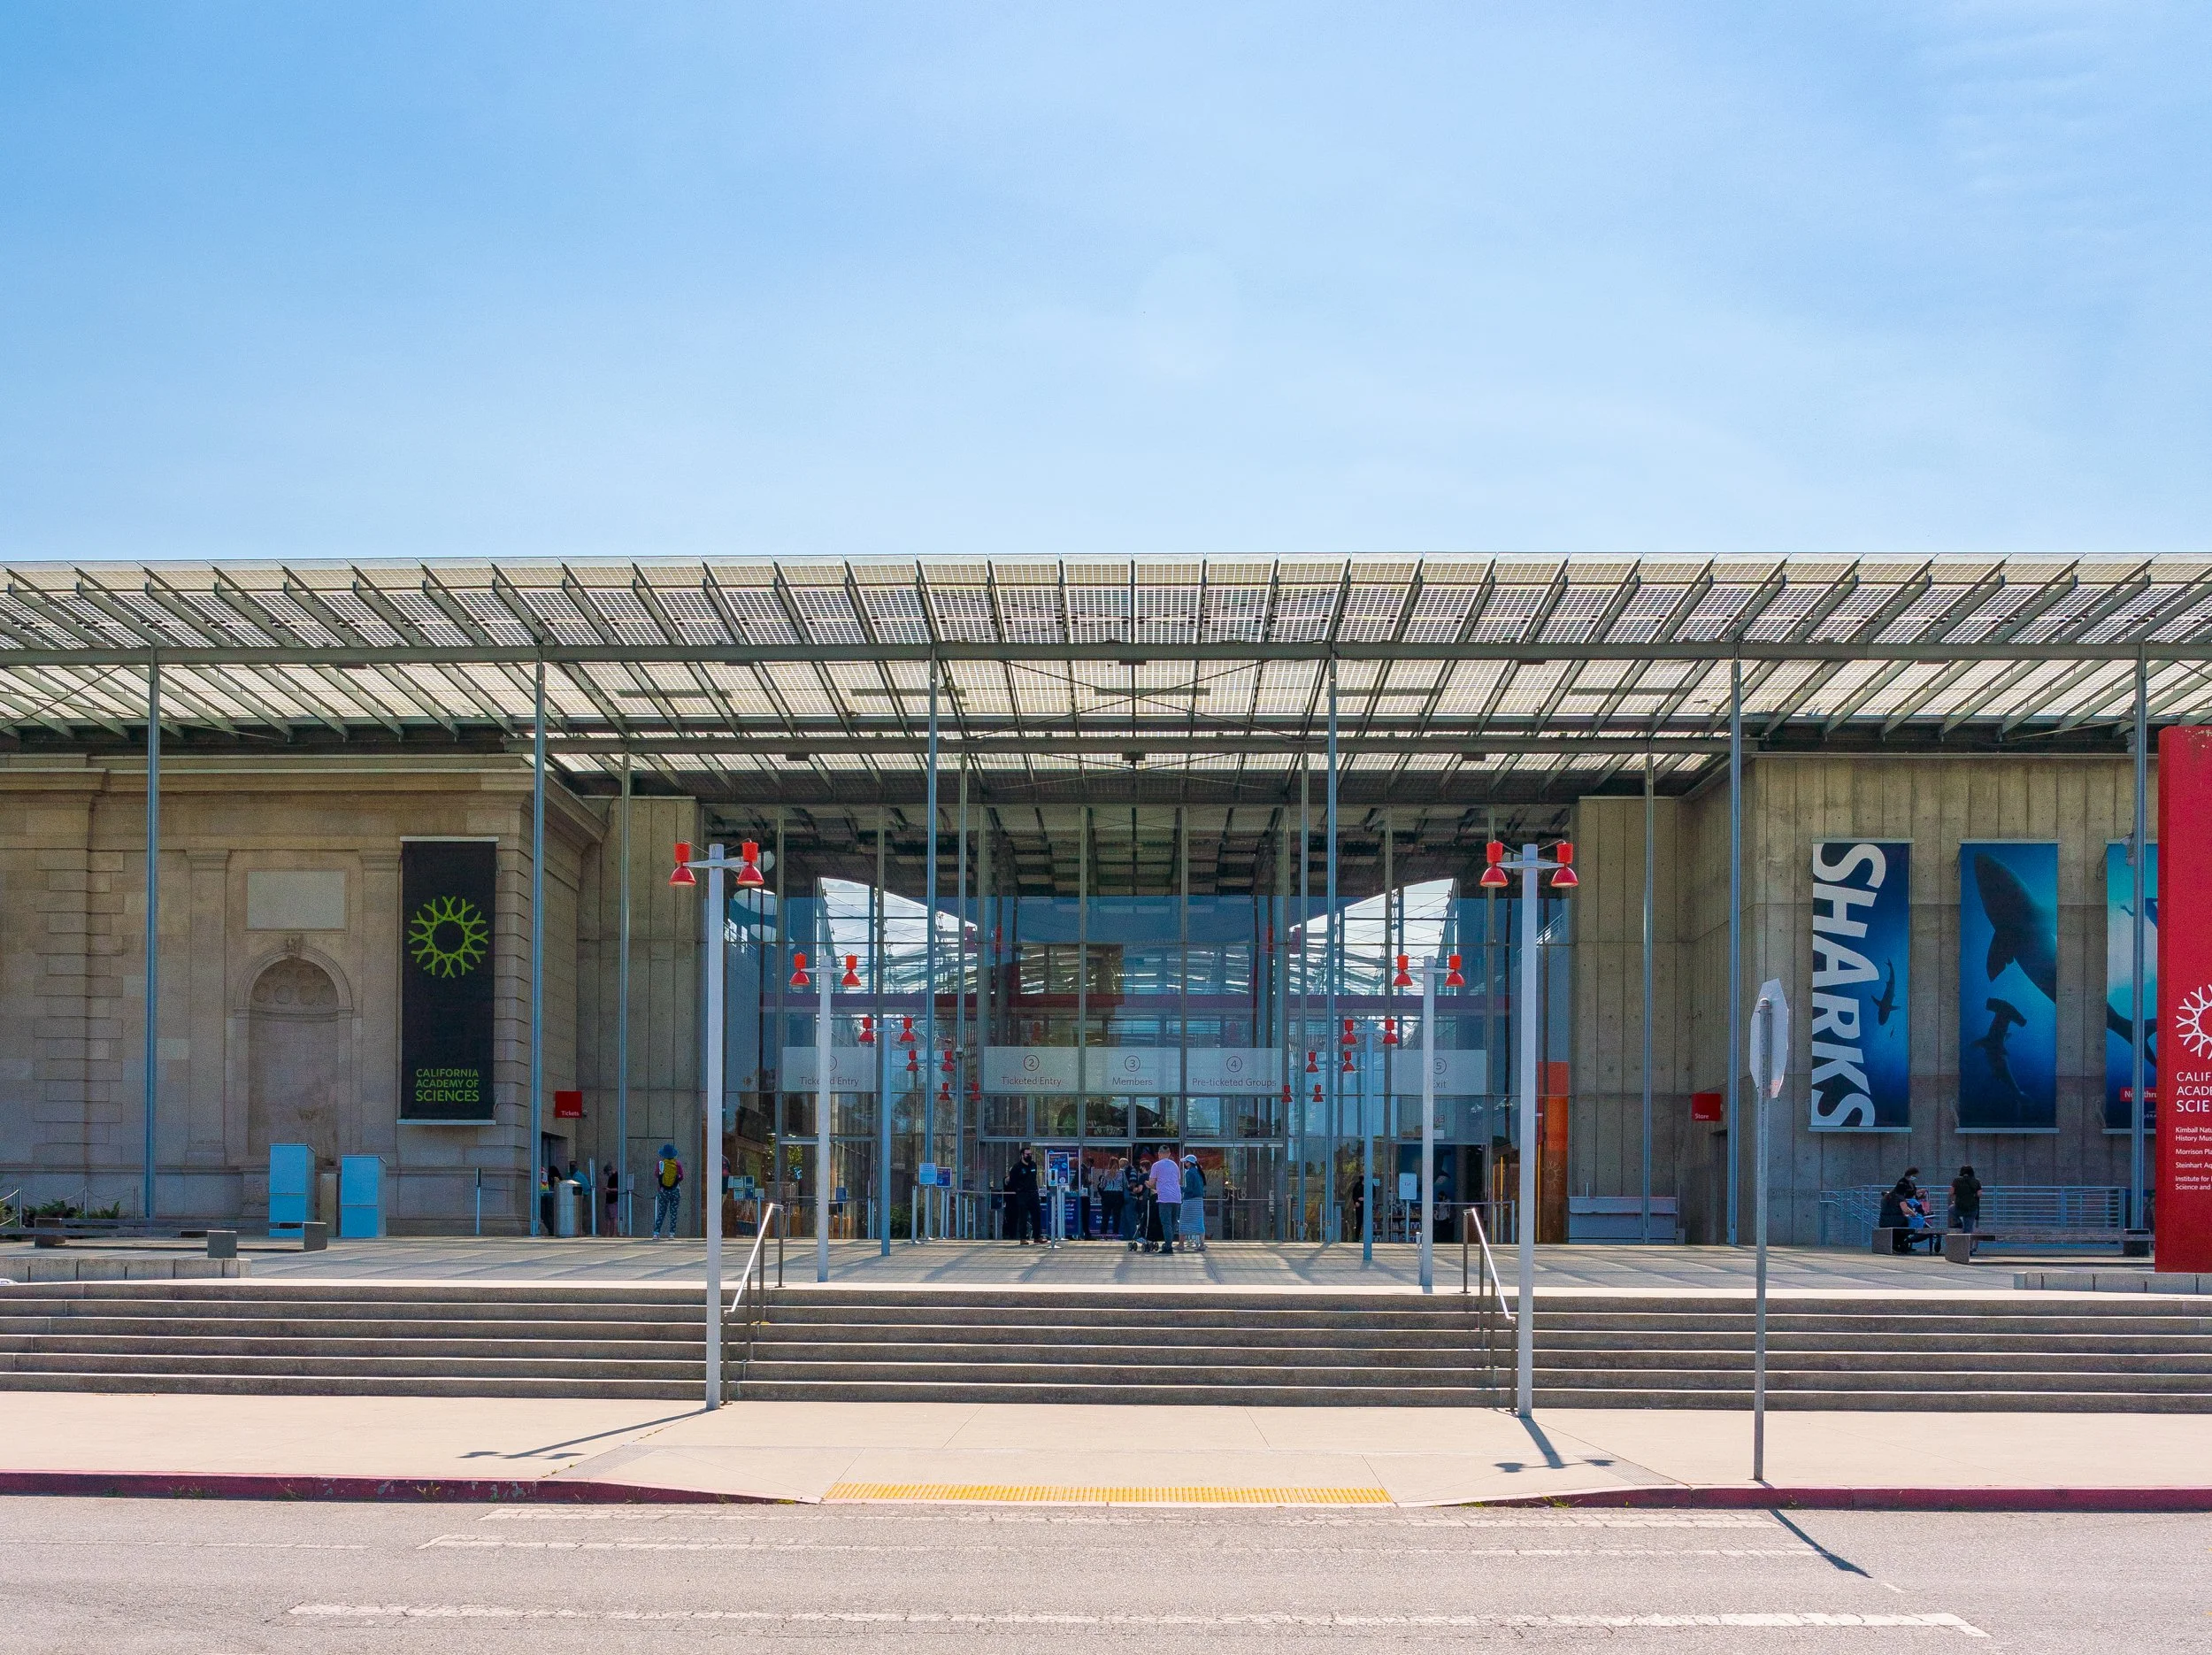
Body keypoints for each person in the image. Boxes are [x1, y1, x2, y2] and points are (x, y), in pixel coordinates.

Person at [1148, 1149, 1183, 1256]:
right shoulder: (1175, 1165)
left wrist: (1148, 1184)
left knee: (1166, 1223)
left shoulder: (1156, 1165)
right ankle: (1169, 1243)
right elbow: (1178, 1180)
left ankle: (1168, 1246)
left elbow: (1152, 1182)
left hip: (1164, 1197)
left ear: (1159, 1154)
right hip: (1177, 1197)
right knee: (1173, 1223)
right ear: (1169, 1154)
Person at [1005, 1150, 1041, 1245]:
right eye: (1027, 1154)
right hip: (1022, 1194)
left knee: (1037, 1215)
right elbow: (1012, 1181)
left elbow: (1033, 1178)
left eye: (1030, 1154)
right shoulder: (1017, 1167)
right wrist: (1019, 1189)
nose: (1029, 1156)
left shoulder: (1033, 1165)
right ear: (1022, 1155)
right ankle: (1023, 1238)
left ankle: (1037, 1236)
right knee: (1023, 1216)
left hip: (1033, 1193)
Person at [651, 1143, 684, 1239]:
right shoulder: (677, 1164)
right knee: (673, 1212)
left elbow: (656, 1174)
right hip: (675, 1190)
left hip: (663, 1191)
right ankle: (671, 1233)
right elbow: (682, 1177)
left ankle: (656, 1233)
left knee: (661, 1211)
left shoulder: (660, 1163)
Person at [1179, 1153, 1207, 1255]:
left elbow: (1189, 1189)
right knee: (1199, 1222)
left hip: (1190, 1201)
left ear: (1189, 1163)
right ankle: (1202, 1244)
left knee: (1183, 1221)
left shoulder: (1189, 1173)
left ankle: (1181, 1244)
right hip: (1199, 1201)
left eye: (1185, 1162)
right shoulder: (1199, 1172)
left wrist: (1180, 1188)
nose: (1185, 1164)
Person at [1100, 1157, 1126, 1243]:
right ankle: (1115, 1234)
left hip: (1107, 1195)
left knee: (1105, 1216)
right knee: (1116, 1216)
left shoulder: (1106, 1173)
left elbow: (1102, 1185)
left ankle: (1103, 1234)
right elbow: (1125, 1184)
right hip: (1118, 1195)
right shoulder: (1122, 1173)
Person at [1951, 1165, 1983, 1233]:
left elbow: (1951, 1192)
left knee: (1951, 1209)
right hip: (1972, 1208)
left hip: (1959, 1207)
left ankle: (1958, 1222)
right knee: (1968, 1229)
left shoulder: (1956, 1180)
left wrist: (1957, 1196)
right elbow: (1979, 1194)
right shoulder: (1976, 1181)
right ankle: (1967, 1242)